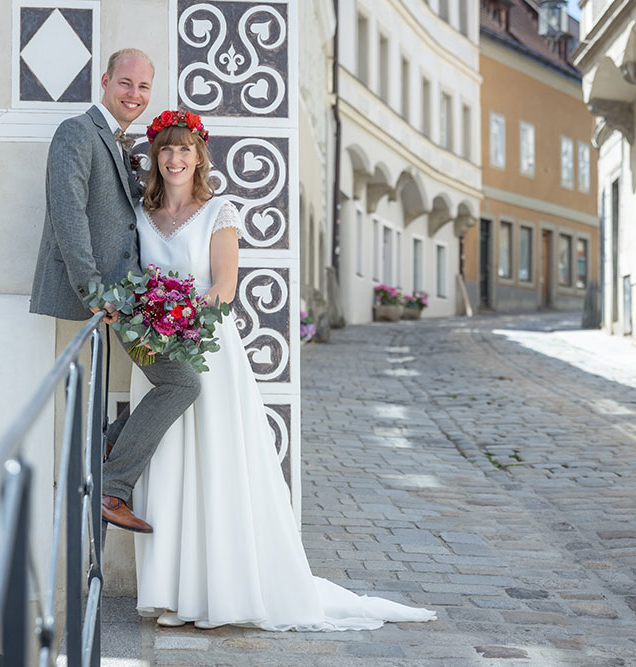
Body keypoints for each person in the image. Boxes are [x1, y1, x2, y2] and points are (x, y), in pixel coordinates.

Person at [129, 110, 437, 631]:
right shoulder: (141, 212)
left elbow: (224, 288)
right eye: (165, 150)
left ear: (199, 157)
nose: (174, 158)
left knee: (213, 464)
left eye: (184, 150)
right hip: (156, 354)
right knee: (169, 465)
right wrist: (152, 322)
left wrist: (181, 319)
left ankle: (216, 594)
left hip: (207, 349)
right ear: (155, 158)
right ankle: (172, 592)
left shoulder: (218, 212)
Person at [29, 49, 201, 534]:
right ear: (105, 81)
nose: (134, 95)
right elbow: (68, 212)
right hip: (108, 297)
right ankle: (111, 486)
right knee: (182, 382)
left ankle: (104, 451)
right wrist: (92, 290)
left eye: (144, 88)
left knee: (180, 381)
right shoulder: (77, 132)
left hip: (131, 296)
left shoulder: (120, 143)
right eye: (126, 83)